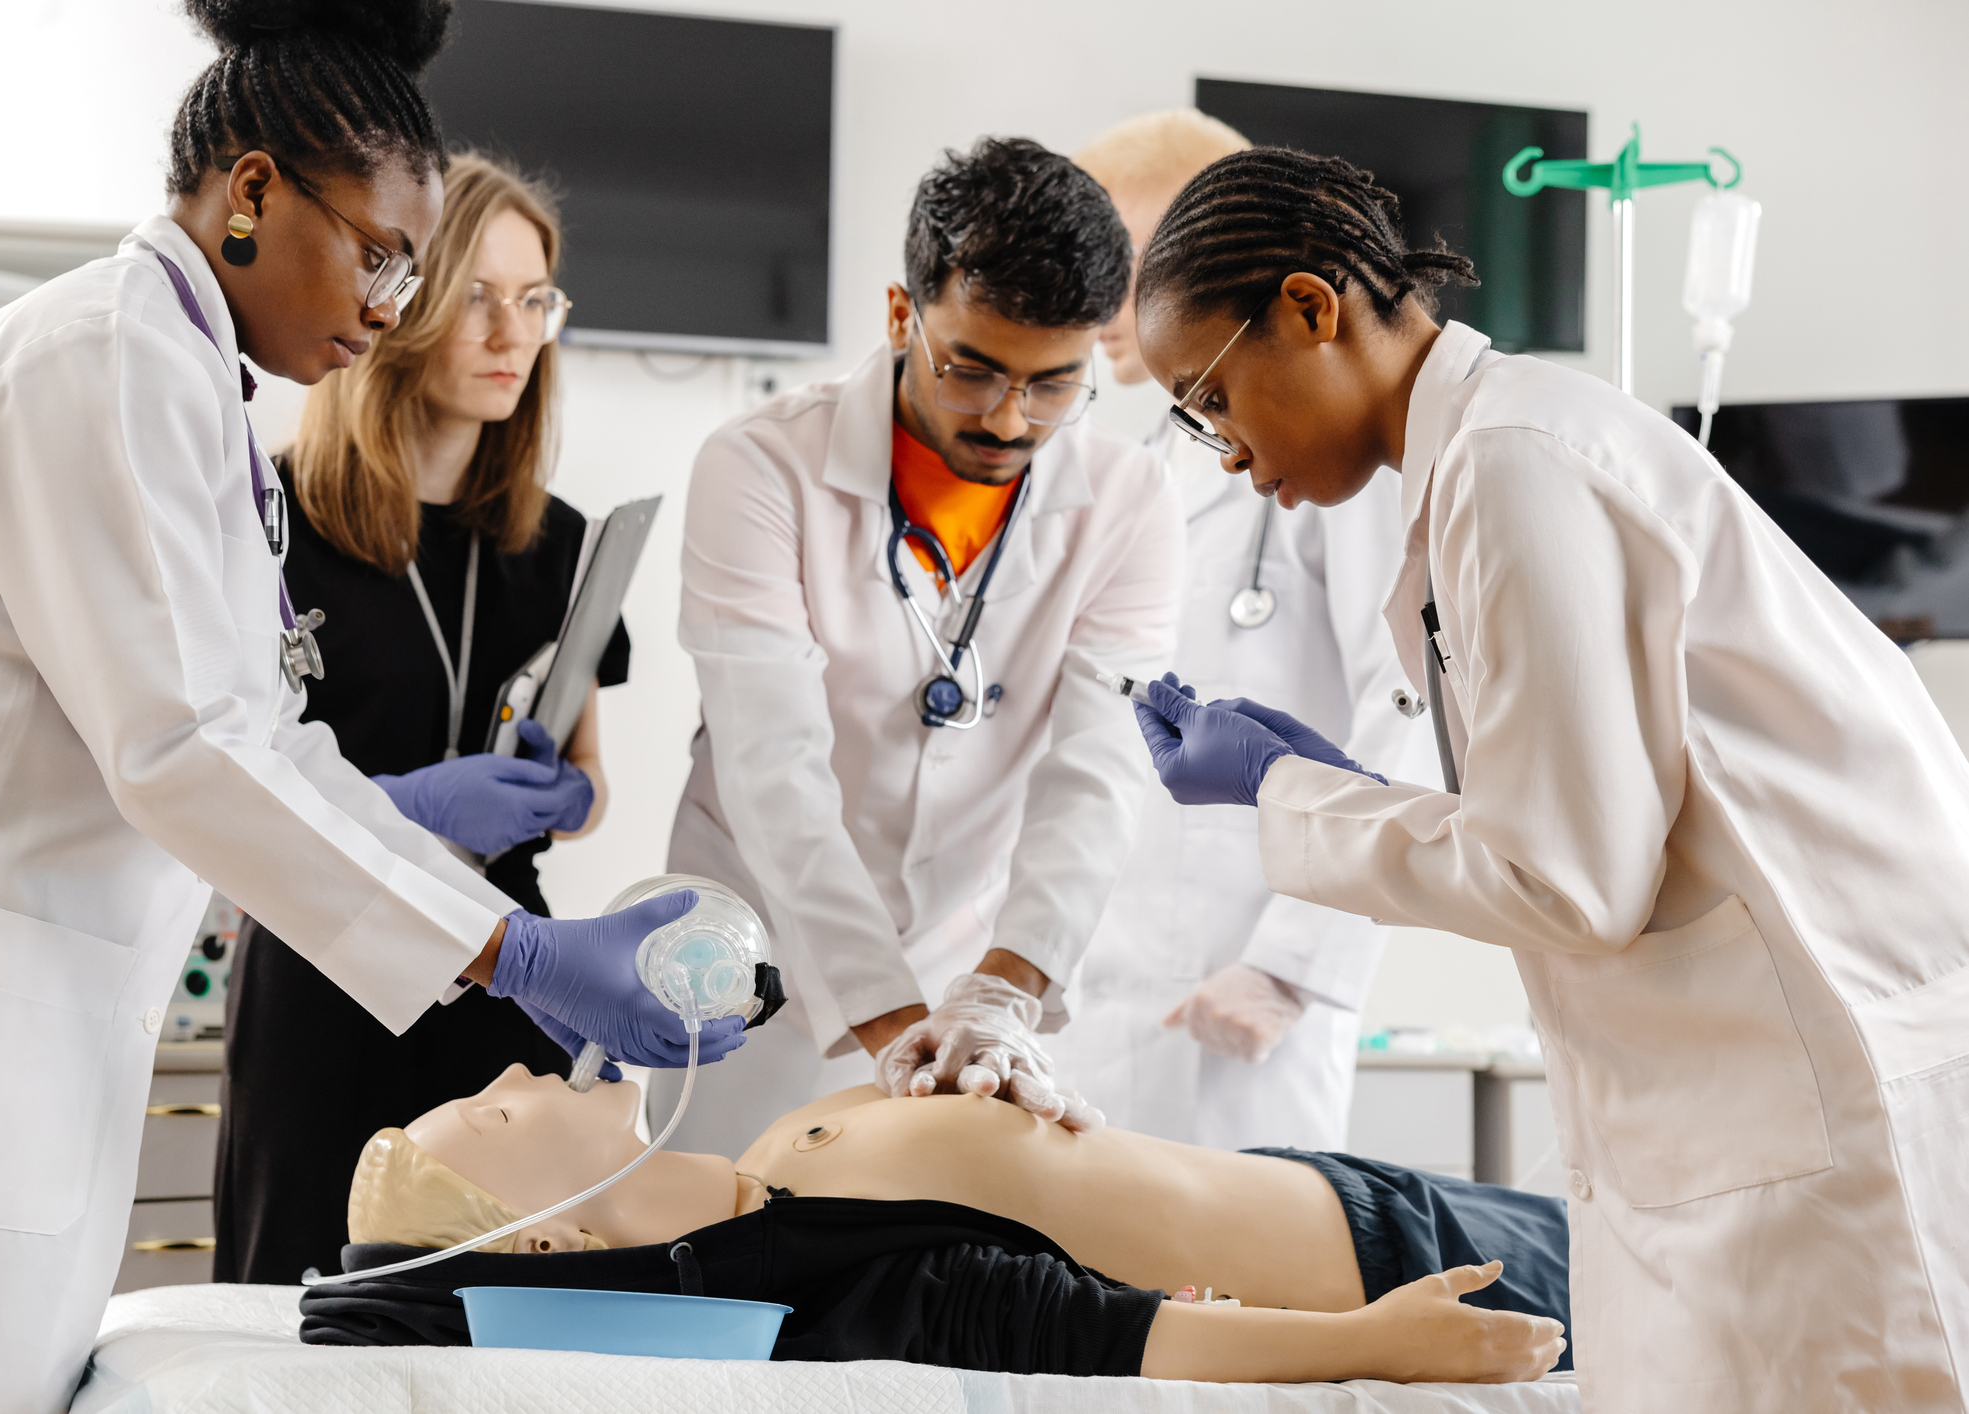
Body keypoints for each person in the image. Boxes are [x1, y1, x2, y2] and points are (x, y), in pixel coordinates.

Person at [0, 4, 741, 1409]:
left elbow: (248, 735)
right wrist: (510, 947)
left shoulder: (190, 382)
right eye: (386, 256)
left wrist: (497, 922)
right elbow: (188, 746)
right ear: (253, 188)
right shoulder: (99, 353)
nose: (394, 307)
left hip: (30, 1012)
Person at [1125, 146, 1969, 1412]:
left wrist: (1288, 790)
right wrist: (1319, 781)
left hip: (1805, 1103)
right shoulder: (1501, 449)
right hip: (1749, 1088)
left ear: (1310, 308)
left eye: (1212, 397)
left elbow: (1570, 879)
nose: (1225, 451)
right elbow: (1573, 828)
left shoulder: (1516, 461)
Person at [661, 138, 1183, 1154]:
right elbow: (774, 770)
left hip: (961, 970)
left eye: (1053, 384)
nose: (1008, 418)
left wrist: (1001, 995)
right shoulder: (763, 468)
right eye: (973, 370)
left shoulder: (1130, 500)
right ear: (903, 314)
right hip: (754, 958)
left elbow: (1098, 773)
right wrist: (899, 1031)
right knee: (718, 1243)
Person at [215, 152, 632, 1284]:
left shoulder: (560, 544)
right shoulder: (276, 513)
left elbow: (592, 780)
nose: (512, 332)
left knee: (494, 1308)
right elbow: (215, 772)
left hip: (508, 972)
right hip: (322, 968)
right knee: (302, 1298)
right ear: (403, 303)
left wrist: (565, 793)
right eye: (479, 297)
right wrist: (400, 808)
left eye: (535, 299)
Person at [303, 1063, 1570, 1385]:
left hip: (1351, 1180)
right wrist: (1379, 1343)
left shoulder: (764, 1165)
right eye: (497, 1116)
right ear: (548, 1241)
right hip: (1413, 1260)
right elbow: (1111, 1338)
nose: (517, 1077)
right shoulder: (810, 1278)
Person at [1048, 111, 1437, 1151]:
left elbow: (1410, 703)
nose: (1091, 296)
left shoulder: (1329, 446)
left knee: (1247, 1289)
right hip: (1108, 980)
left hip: (1247, 986)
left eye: (1114, 254)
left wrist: (1296, 961)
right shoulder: (1158, 452)